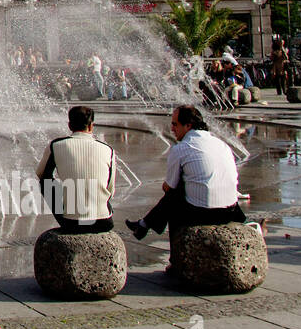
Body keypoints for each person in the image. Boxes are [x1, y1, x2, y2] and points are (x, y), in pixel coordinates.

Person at [125, 106, 246, 267]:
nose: (171, 129)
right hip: (231, 210)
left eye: (175, 124)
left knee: (174, 198)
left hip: (203, 212)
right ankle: (143, 225)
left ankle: (177, 261)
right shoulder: (221, 144)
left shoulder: (181, 149)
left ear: (188, 125)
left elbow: (169, 186)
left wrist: (169, 186)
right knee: (182, 189)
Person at [35, 106, 116, 233]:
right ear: (91, 126)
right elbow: (110, 190)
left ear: (70, 126)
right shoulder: (108, 149)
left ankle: (68, 212)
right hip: (104, 221)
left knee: (45, 182)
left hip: (71, 222)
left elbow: (41, 174)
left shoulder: (56, 145)